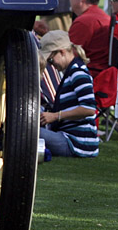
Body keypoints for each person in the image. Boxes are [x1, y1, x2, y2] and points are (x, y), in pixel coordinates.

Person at [37, 30, 99, 158]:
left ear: (62, 52)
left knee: (28, 131)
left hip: (75, 142)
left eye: (51, 60)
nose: (51, 65)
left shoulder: (78, 73)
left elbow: (89, 109)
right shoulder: (71, 72)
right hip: (70, 138)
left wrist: (55, 116)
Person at [68, 0, 111, 79]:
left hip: (87, 77)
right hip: (103, 76)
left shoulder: (84, 22)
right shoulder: (104, 17)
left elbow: (68, 56)